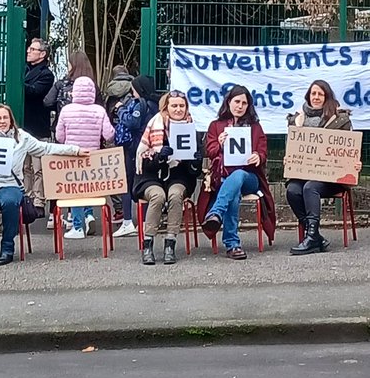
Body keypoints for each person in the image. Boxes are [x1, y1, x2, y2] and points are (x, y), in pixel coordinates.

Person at [0, 103, 84, 267]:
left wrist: (75, 150)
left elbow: (46, 148)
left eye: (5, 117)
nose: (2, 121)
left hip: (9, 184)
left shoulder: (21, 137)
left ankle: (7, 249)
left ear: (11, 120)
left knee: (11, 201)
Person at [201, 85, 276, 260]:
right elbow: (210, 152)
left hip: (249, 178)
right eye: (237, 101)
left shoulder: (255, 127)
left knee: (239, 175)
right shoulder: (216, 125)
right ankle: (232, 245)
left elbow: (263, 151)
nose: (240, 106)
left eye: (244, 103)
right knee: (232, 194)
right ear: (229, 102)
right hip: (224, 178)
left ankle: (216, 213)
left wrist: (258, 156)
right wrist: (218, 143)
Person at [285, 80, 354, 256]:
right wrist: (289, 158)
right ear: (308, 95)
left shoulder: (340, 120)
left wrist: (354, 163)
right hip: (302, 174)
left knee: (310, 187)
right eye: (313, 93)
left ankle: (311, 237)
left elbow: (349, 150)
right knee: (292, 190)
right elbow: (291, 147)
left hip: (331, 178)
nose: (316, 97)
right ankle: (314, 235)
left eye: (320, 94)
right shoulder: (296, 120)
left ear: (327, 97)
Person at [134, 91, 201, 265]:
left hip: (179, 177)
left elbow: (195, 171)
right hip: (150, 177)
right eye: (174, 105)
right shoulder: (155, 125)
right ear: (166, 107)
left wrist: (195, 160)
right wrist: (160, 158)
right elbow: (144, 162)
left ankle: (170, 243)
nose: (178, 109)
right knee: (158, 196)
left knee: (175, 195)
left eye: (182, 106)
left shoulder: (191, 128)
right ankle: (147, 244)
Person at [55, 75, 114, 240]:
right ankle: (89, 215)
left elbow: (59, 136)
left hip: (73, 155)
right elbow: (109, 135)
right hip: (92, 155)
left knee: (75, 191)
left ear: (74, 92)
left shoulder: (67, 110)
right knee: (89, 187)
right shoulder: (99, 110)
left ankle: (77, 226)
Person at [112, 74, 158, 238]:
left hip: (135, 147)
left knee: (127, 182)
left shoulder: (139, 104)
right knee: (146, 183)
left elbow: (132, 122)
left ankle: (127, 222)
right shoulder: (156, 105)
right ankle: (144, 222)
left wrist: (121, 109)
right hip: (150, 147)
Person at [21, 38, 56, 213]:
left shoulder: (47, 74)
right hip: (23, 126)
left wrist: (18, 84)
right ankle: (26, 197)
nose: (28, 51)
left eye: (33, 49)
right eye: (29, 48)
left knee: (38, 168)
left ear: (42, 54)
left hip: (37, 126)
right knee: (24, 166)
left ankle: (38, 201)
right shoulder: (24, 69)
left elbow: (36, 92)